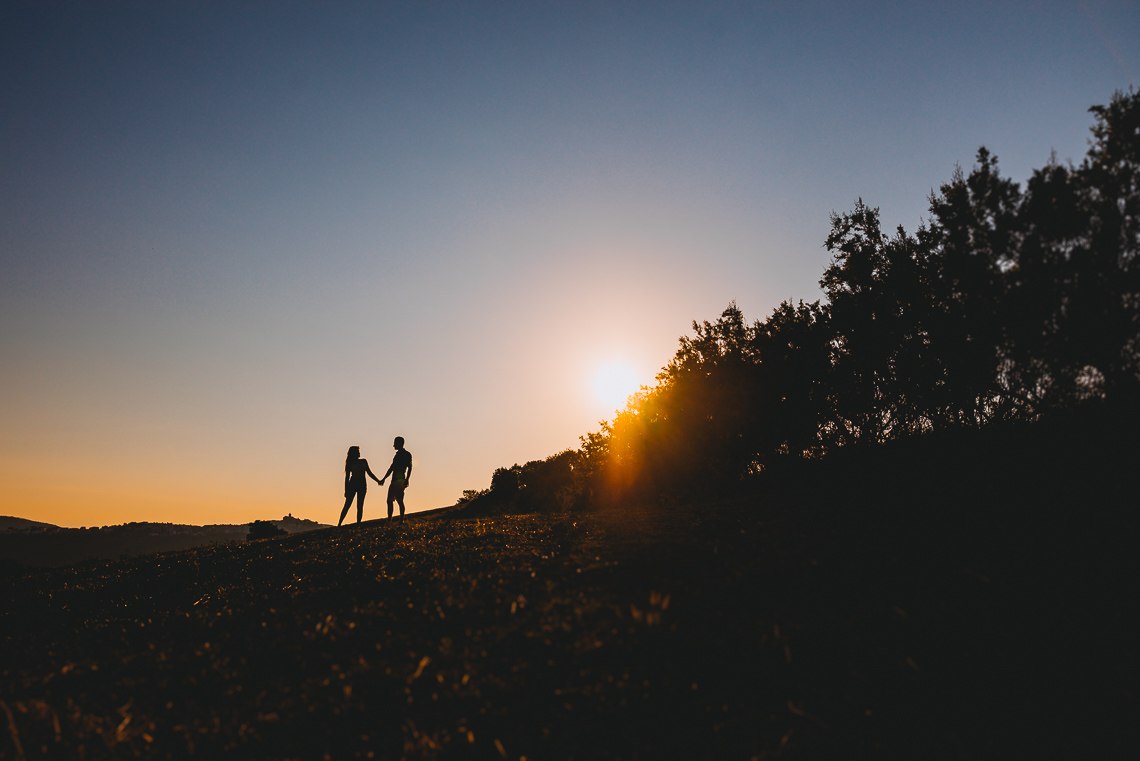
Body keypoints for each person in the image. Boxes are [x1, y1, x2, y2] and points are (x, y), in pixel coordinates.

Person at [339, 446, 381, 526]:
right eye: (357, 451)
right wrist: (346, 490)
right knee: (347, 504)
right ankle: (339, 523)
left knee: (360, 505)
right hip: (353, 483)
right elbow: (347, 478)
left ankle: (358, 524)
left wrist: (377, 480)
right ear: (353, 453)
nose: (359, 453)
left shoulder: (364, 461)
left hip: (362, 484)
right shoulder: (349, 463)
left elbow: (369, 473)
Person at [379, 436, 413, 525]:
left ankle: (400, 520)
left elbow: (409, 468)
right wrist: (384, 479)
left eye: (395, 443)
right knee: (390, 500)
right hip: (394, 480)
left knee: (399, 500)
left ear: (399, 443)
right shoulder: (397, 455)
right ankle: (390, 520)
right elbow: (392, 468)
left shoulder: (406, 454)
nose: (393, 445)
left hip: (400, 480)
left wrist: (407, 479)